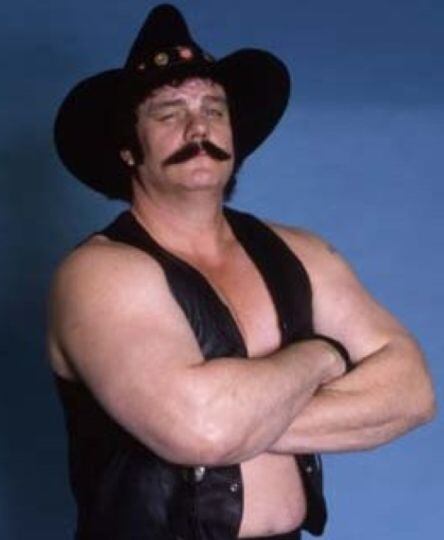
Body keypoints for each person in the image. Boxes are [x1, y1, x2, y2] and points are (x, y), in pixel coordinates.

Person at [49, 4, 435, 540]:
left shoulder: (299, 252)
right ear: (128, 150)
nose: (198, 127)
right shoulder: (99, 273)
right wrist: (323, 355)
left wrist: (244, 421)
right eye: (168, 114)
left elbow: (412, 393)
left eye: (215, 109)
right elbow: (203, 431)